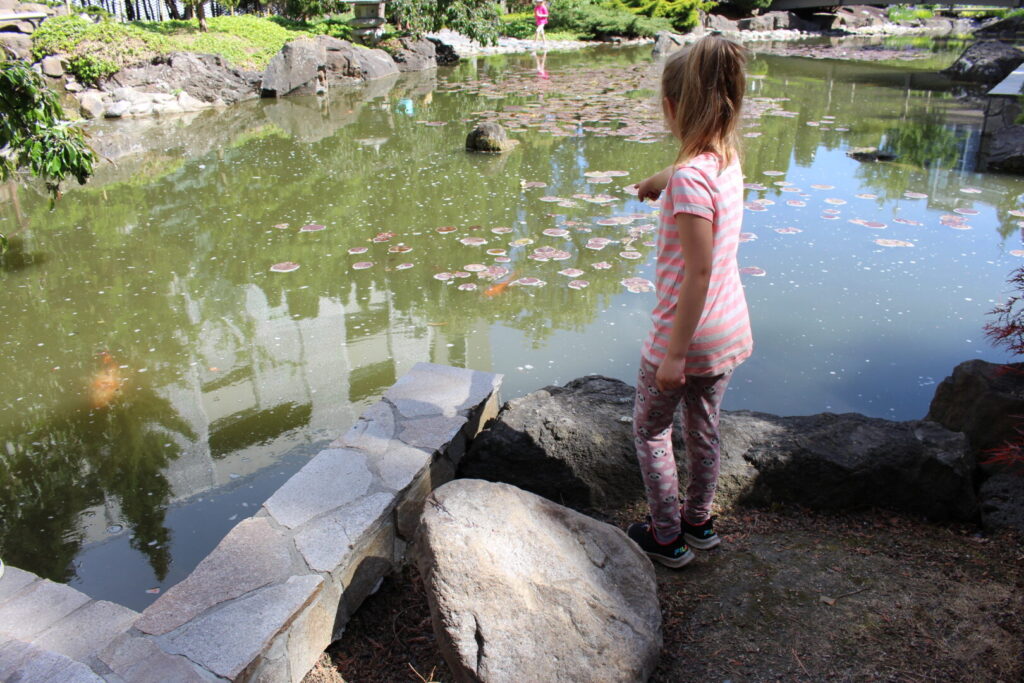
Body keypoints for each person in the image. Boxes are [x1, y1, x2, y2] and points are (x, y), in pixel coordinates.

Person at [626, 36, 753, 569]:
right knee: (704, 428)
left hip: (684, 337)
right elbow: (686, 178)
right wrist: (657, 180)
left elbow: (696, 273)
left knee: (650, 429)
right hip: (728, 330)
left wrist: (674, 355)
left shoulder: (689, 179)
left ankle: (667, 537)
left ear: (672, 107)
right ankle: (700, 522)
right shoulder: (725, 161)